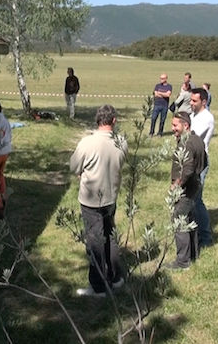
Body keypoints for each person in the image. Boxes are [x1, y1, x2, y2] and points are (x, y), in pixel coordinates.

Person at [69, 104, 128, 297]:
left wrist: (83, 173)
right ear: (114, 121)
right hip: (111, 197)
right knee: (110, 236)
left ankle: (98, 286)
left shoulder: (87, 143)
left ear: (97, 120)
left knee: (95, 242)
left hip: (91, 199)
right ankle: (115, 277)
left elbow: (74, 166)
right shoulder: (122, 142)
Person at [165, 112, 206, 271]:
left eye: (175, 125)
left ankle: (182, 261)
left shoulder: (186, 144)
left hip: (185, 189)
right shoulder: (197, 140)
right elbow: (204, 162)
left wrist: (176, 185)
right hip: (195, 186)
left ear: (186, 125)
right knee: (189, 220)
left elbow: (187, 169)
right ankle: (193, 253)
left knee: (179, 221)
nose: (172, 128)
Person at [189, 88, 215, 249]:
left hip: (200, 162)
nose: (191, 103)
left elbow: (192, 136)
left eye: (194, 101)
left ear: (203, 102)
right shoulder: (194, 115)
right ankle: (194, 231)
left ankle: (206, 236)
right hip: (190, 160)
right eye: (190, 100)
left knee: (197, 199)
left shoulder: (207, 118)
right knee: (191, 199)